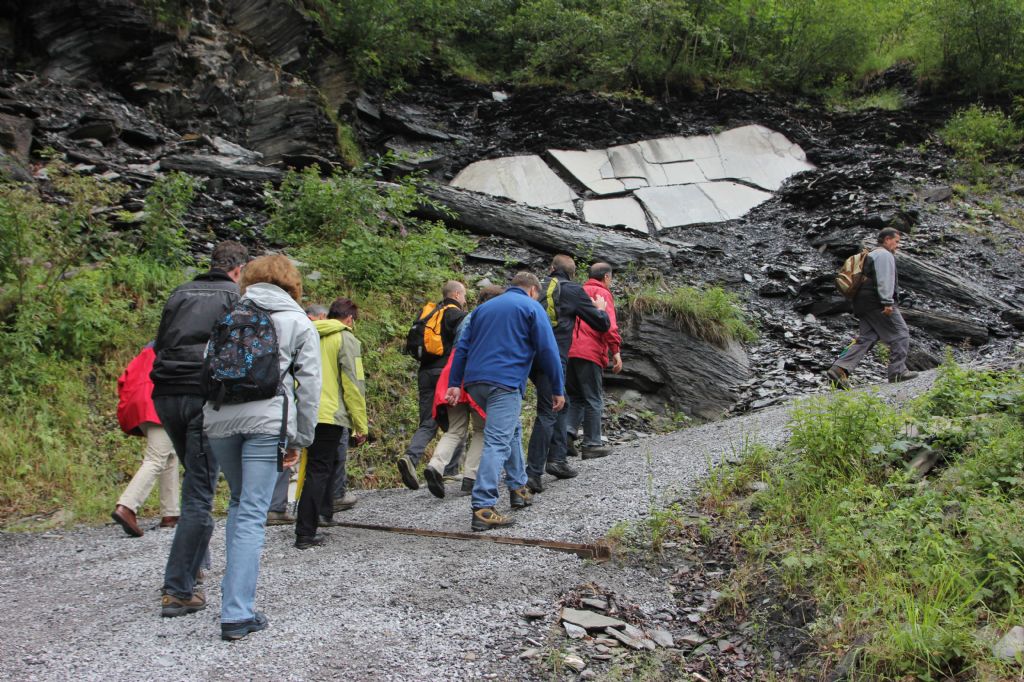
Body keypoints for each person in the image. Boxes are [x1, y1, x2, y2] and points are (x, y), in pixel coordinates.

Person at [202, 255, 321, 640]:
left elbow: (207, 367)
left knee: (239, 503)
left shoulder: (229, 316)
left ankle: (232, 599)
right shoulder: (298, 321)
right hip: (267, 423)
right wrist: (300, 439)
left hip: (219, 420)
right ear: (292, 284)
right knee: (253, 511)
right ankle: (236, 613)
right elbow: (310, 388)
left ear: (249, 280)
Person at [151, 240, 247, 618]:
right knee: (200, 491)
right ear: (238, 270)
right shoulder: (234, 298)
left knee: (195, 478)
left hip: (165, 394)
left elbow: (160, 343)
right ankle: (178, 588)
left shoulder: (180, 293)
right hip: (202, 397)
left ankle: (195, 565)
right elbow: (237, 354)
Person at [446, 272, 564, 531]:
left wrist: (454, 382)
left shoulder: (482, 309)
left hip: (475, 383)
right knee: (498, 441)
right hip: (504, 382)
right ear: (533, 290)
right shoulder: (531, 306)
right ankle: (483, 506)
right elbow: (548, 350)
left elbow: (462, 347)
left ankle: (518, 488)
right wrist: (557, 388)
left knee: (512, 430)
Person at [524, 255, 609, 494]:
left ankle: (558, 459)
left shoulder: (536, 288)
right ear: (572, 273)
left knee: (563, 403)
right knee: (549, 410)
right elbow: (600, 324)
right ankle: (533, 473)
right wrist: (601, 310)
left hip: (528, 358)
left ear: (551, 268)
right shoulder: (572, 290)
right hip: (553, 357)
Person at [294, 297, 367, 548]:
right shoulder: (346, 339)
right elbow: (354, 384)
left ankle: (320, 515)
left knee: (317, 466)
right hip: (329, 413)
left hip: (304, 409)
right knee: (320, 469)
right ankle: (305, 532)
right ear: (349, 319)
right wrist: (360, 424)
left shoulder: (308, 334)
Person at [424, 285, 506, 498]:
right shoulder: (493, 319)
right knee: (481, 429)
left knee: (455, 430)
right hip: (477, 373)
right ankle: (470, 477)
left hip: (453, 373)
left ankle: (435, 466)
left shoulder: (467, 317)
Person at [826, 227, 919, 388]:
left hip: (862, 302)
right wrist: (887, 302)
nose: (897, 245)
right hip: (876, 302)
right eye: (896, 241)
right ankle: (897, 372)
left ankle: (839, 369)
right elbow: (884, 279)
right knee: (901, 333)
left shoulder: (873, 254)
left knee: (867, 338)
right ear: (887, 239)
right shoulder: (884, 255)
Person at [397, 280, 468, 490]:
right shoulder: (455, 314)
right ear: (456, 295)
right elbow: (463, 344)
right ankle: (450, 471)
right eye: (464, 295)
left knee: (428, 422)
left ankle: (411, 457)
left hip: (425, 373)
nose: (465, 299)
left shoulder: (428, 313)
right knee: (456, 424)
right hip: (445, 374)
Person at [111, 343, 179, 537]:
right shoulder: (174, 347)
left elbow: (124, 380)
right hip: (157, 403)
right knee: (156, 458)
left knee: (169, 454)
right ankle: (127, 506)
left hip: (138, 404)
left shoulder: (148, 349)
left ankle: (171, 513)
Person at [565, 263, 623, 457]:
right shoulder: (602, 294)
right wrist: (615, 351)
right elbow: (608, 325)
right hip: (589, 351)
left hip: (568, 351)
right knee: (593, 398)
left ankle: (566, 437)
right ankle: (592, 444)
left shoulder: (577, 292)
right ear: (606, 277)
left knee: (575, 397)